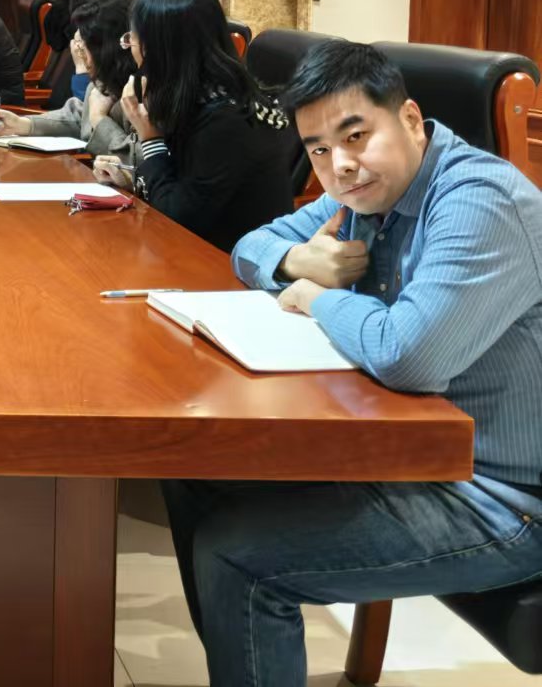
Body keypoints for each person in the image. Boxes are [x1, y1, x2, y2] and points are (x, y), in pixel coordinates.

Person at [163, 41, 542, 687]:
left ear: (411, 120)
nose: (339, 165)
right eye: (316, 149)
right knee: (193, 470)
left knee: (238, 558)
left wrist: (316, 296)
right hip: (403, 451)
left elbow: (407, 354)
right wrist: (296, 260)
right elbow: (250, 246)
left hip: (502, 497)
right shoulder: (367, 193)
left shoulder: (478, 200)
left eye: (356, 135)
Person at [92, 0, 295, 251]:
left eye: (132, 39)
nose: (131, 49)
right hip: (201, 248)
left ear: (159, 49)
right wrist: (132, 180)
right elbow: (185, 187)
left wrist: (150, 138)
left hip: (230, 262)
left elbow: (178, 218)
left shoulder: (225, 119)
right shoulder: (202, 95)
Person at [0, 0, 136, 157]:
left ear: (105, 49)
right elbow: (78, 118)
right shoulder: (102, 81)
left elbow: (138, 160)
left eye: (81, 46)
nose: (77, 52)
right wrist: (21, 124)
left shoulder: (140, 91)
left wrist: (99, 119)